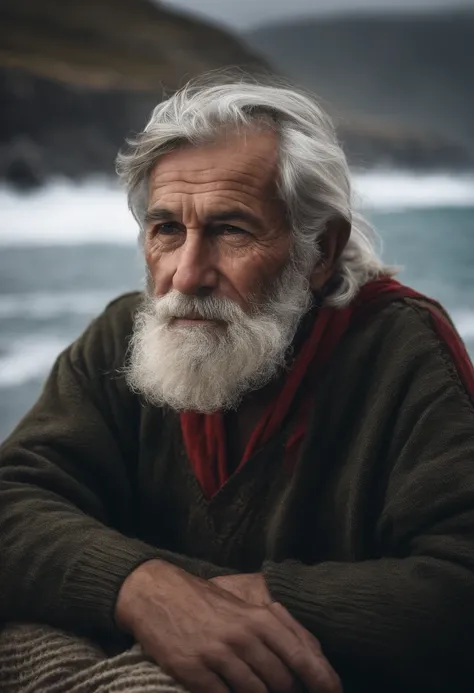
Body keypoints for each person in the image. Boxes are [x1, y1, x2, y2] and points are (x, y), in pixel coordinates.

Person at [1, 71, 474, 693]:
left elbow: (458, 588)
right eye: (167, 228)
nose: (187, 274)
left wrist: (240, 602)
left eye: (231, 230)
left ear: (321, 251)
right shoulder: (124, 332)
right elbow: (14, 501)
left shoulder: (400, 351)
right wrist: (144, 589)